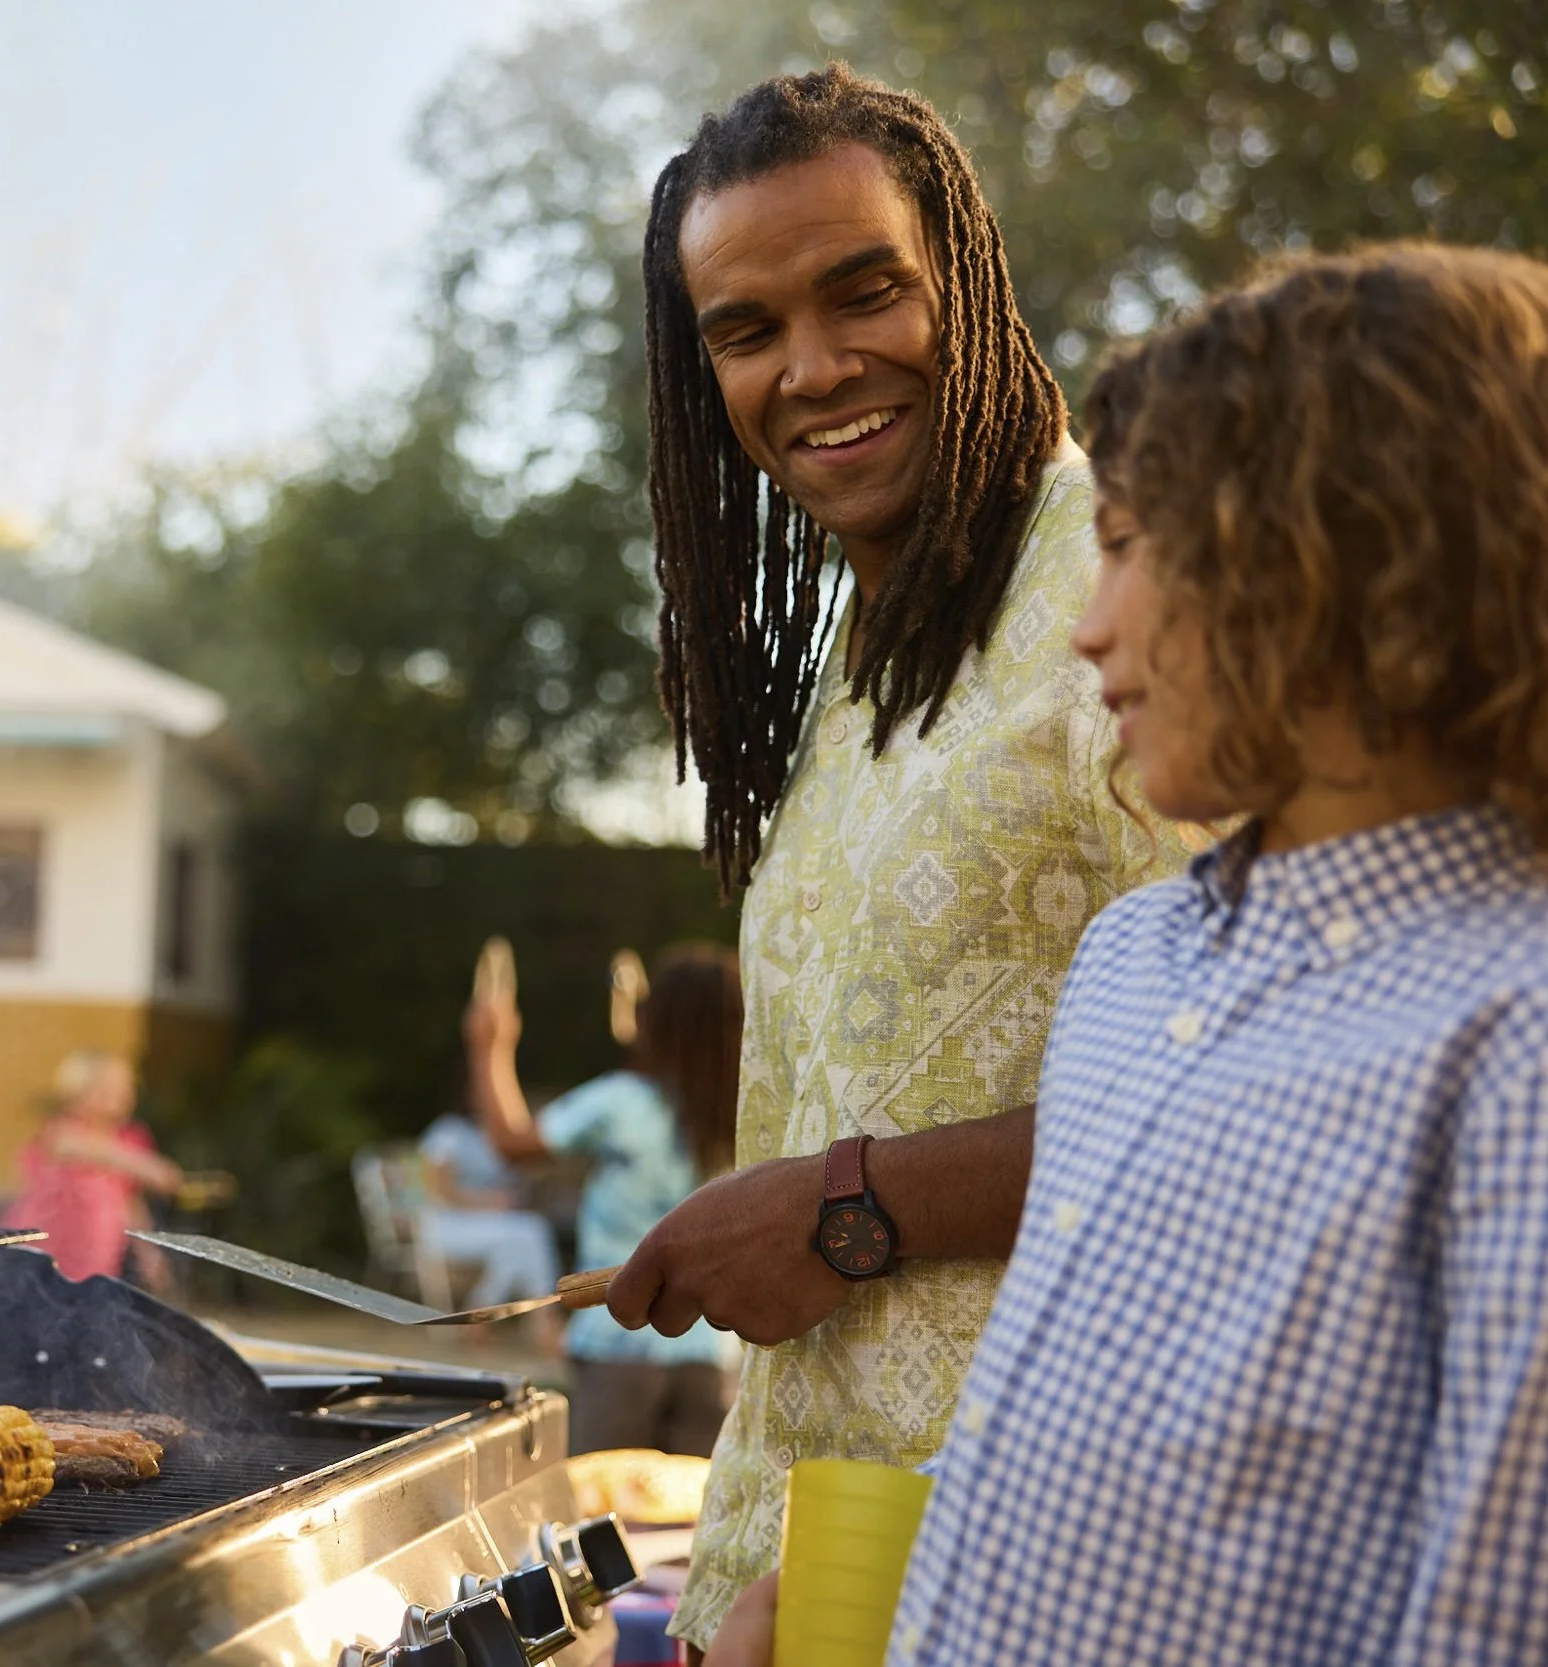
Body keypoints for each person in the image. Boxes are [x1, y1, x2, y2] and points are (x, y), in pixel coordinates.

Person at [717, 243, 1548, 1664]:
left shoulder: (1539, 1039)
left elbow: (1499, 1615)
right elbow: (1085, 1412)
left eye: (1128, 547)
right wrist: (911, 1557)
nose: (1088, 621)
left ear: (1351, 551)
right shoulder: (1137, 962)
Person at [597, 65, 1189, 1651]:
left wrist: (849, 1208)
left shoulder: (1131, 584)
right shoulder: (857, 661)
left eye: (866, 292)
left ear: (966, 283)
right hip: (806, 1565)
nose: (815, 367)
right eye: (745, 328)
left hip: (1040, 1564)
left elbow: (1266, 1081)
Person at [466, 943, 742, 1457]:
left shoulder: (624, 1101)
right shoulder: (749, 1112)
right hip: (714, 1350)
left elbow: (512, 1143)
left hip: (618, 1344)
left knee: (602, 1508)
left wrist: (490, 1046)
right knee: (690, 1519)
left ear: (656, 1021)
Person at [0, 1048, 183, 1283]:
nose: (119, 1094)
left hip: (96, 1257)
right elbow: (85, 1149)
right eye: (104, 1087)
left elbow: (129, 1204)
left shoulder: (128, 1139)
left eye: (124, 1087)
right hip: (43, 1248)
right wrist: (147, 1167)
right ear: (76, 1092)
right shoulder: (63, 1132)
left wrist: (148, 1253)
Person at [413, 1111, 561, 1313]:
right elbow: (439, 1191)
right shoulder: (450, 1132)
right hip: (444, 1226)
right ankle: (543, 1316)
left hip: (486, 1226)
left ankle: (480, 1315)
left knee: (515, 1249)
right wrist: (489, 1202)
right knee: (530, 1231)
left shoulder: (500, 1140)